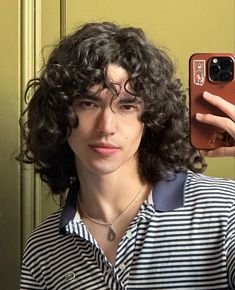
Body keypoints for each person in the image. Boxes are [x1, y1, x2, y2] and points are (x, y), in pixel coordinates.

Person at [19, 22, 235, 290]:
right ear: (60, 113)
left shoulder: (226, 208)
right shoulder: (43, 248)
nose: (106, 126)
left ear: (151, 118)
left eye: (127, 105)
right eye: (88, 103)